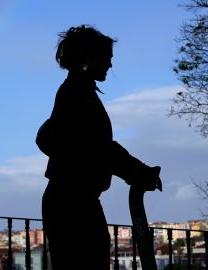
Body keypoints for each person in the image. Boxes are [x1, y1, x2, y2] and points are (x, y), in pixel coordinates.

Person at [36, 25, 162, 270]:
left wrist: (137, 171)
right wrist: (139, 172)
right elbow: (98, 148)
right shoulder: (77, 95)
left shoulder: (76, 93)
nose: (110, 65)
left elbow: (95, 147)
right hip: (73, 205)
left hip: (72, 201)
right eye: (106, 58)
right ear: (87, 57)